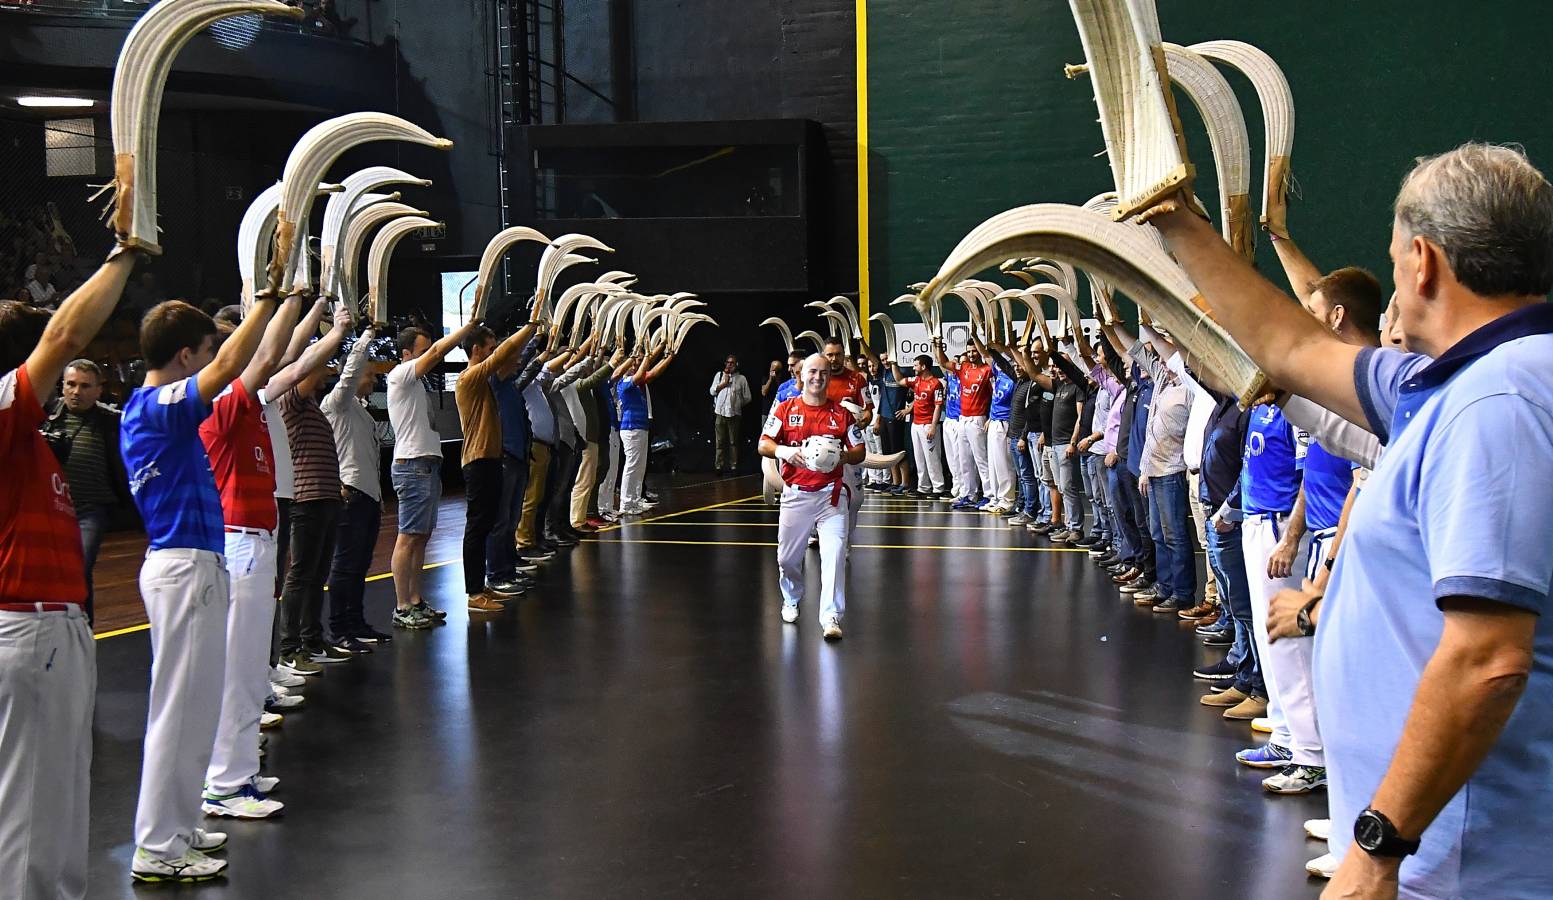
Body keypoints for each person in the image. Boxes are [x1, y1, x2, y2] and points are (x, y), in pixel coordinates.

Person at [1149, 142, 1553, 900]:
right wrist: (1177, 224)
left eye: (1393, 254)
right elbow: (1290, 345)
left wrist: (1376, 849)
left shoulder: (1498, 402)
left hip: (1471, 864)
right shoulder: (1448, 384)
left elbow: (1487, 660)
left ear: (1423, 261)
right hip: (1445, 852)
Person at [122, 291, 282, 883]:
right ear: (187, 356)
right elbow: (229, 369)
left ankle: (178, 828)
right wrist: (265, 304)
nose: (219, 361)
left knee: (193, 712)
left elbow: (226, 367)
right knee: (177, 714)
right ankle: (158, 846)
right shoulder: (155, 407)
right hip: (183, 568)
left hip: (195, 566)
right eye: (210, 351)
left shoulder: (159, 408)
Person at [0, 250, 135, 898]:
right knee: (26, 810)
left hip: (59, 629)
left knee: (61, 795)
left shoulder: (31, 437)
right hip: (24, 629)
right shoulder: (0, 410)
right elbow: (66, 335)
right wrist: (126, 254)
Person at [196, 295, 312, 822]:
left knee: (248, 673)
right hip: (238, 544)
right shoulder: (223, 405)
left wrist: (309, 306)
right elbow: (268, 356)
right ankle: (222, 784)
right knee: (237, 673)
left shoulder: (252, 409)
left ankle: (238, 771)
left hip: (256, 543)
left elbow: (291, 359)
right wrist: (284, 296)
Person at [759, 353, 866, 640]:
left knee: (833, 555)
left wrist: (840, 456)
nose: (818, 377)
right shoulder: (784, 408)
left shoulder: (841, 414)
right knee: (787, 559)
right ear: (801, 375)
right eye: (812, 372)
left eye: (824, 373)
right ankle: (791, 597)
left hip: (832, 498)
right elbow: (764, 443)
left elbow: (861, 451)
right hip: (796, 497)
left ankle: (831, 616)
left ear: (830, 378)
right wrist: (784, 452)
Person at [387, 320, 479, 629]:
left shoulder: (417, 384)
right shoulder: (401, 375)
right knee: (408, 537)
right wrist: (467, 329)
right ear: (405, 353)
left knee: (421, 537)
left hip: (426, 464)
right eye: (423, 351)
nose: (431, 356)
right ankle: (402, 606)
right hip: (412, 465)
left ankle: (414, 600)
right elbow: (440, 350)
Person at [276, 313, 353, 664]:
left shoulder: (313, 408)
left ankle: (312, 640)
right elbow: (307, 368)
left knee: (316, 573)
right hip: (305, 500)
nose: (327, 373)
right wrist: (335, 334)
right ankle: (291, 649)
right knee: (301, 573)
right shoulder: (289, 399)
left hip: (324, 498)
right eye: (322, 368)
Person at [455, 321, 538, 612]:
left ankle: (482, 586)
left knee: (487, 523)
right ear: (476, 350)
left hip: (489, 460)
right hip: (477, 461)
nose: (494, 353)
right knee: (478, 528)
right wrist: (531, 326)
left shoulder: (483, 382)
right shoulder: (469, 378)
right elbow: (506, 353)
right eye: (489, 349)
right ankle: (474, 593)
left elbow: (508, 357)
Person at [322, 324, 395, 646]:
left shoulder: (360, 411)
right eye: (371, 374)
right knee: (346, 564)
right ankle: (340, 629)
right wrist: (366, 338)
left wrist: (378, 496)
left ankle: (356, 623)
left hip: (365, 496)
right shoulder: (336, 403)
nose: (375, 379)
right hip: (350, 495)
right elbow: (349, 373)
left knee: (359, 564)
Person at [42, 358, 129, 623]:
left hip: (91, 509)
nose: (76, 391)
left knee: (79, 567)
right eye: (70, 384)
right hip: (50, 507)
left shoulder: (112, 421)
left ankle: (81, 626)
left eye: (84, 386)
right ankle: (71, 626)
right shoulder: (45, 414)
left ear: (98, 390)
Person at [616, 342, 675, 515]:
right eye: (635, 362)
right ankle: (626, 503)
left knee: (639, 466)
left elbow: (653, 371)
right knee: (632, 465)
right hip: (631, 427)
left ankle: (634, 500)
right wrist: (647, 356)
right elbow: (644, 371)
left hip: (640, 426)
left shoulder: (636, 382)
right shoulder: (624, 382)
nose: (637, 365)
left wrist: (668, 353)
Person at [935, 340, 992, 508]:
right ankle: (969, 494)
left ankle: (989, 495)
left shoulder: (988, 371)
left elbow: (993, 396)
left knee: (981, 460)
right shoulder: (963, 368)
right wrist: (938, 344)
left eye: (975, 351)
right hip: (962, 419)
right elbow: (944, 362)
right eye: (969, 351)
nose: (972, 354)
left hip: (978, 419)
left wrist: (989, 417)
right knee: (964, 460)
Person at [892, 354, 945, 497]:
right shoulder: (916, 381)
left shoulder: (936, 384)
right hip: (915, 424)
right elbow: (898, 380)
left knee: (932, 458)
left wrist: (934, 426)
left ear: (923, 366)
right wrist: (893, 363)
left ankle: (938, 487)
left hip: (928, 425)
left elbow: (938, 407)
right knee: (919, 458)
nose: (913, 368)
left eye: (916, 365)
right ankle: (923, 487)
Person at [709, 353, 751, 475]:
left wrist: (737, 404)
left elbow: (747, 397)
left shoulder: (741, 379)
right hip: (720, 413)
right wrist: (723, 384)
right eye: (728, 362)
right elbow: (712, 391)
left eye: (732, 363)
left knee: (733, 442)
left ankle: (733, 466)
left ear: (736, 364)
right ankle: (719, 466)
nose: (729, 365)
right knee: (719, 441)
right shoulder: (720, 375)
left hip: (734, 414)